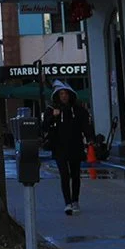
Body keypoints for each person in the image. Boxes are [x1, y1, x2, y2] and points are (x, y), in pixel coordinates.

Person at [41, 79, 92, 215]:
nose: (64, 96)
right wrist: (53, 117)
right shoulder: (51, 110)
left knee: (75, 175)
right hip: (59, 147)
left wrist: (91, 139)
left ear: (70, 95)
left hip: (75, 145)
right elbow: (44, 126)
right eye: (61, 93)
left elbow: (85, 126)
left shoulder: (78, 110)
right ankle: (67, 202)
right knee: (64, 174)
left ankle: (75, 200)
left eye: (66, 93)